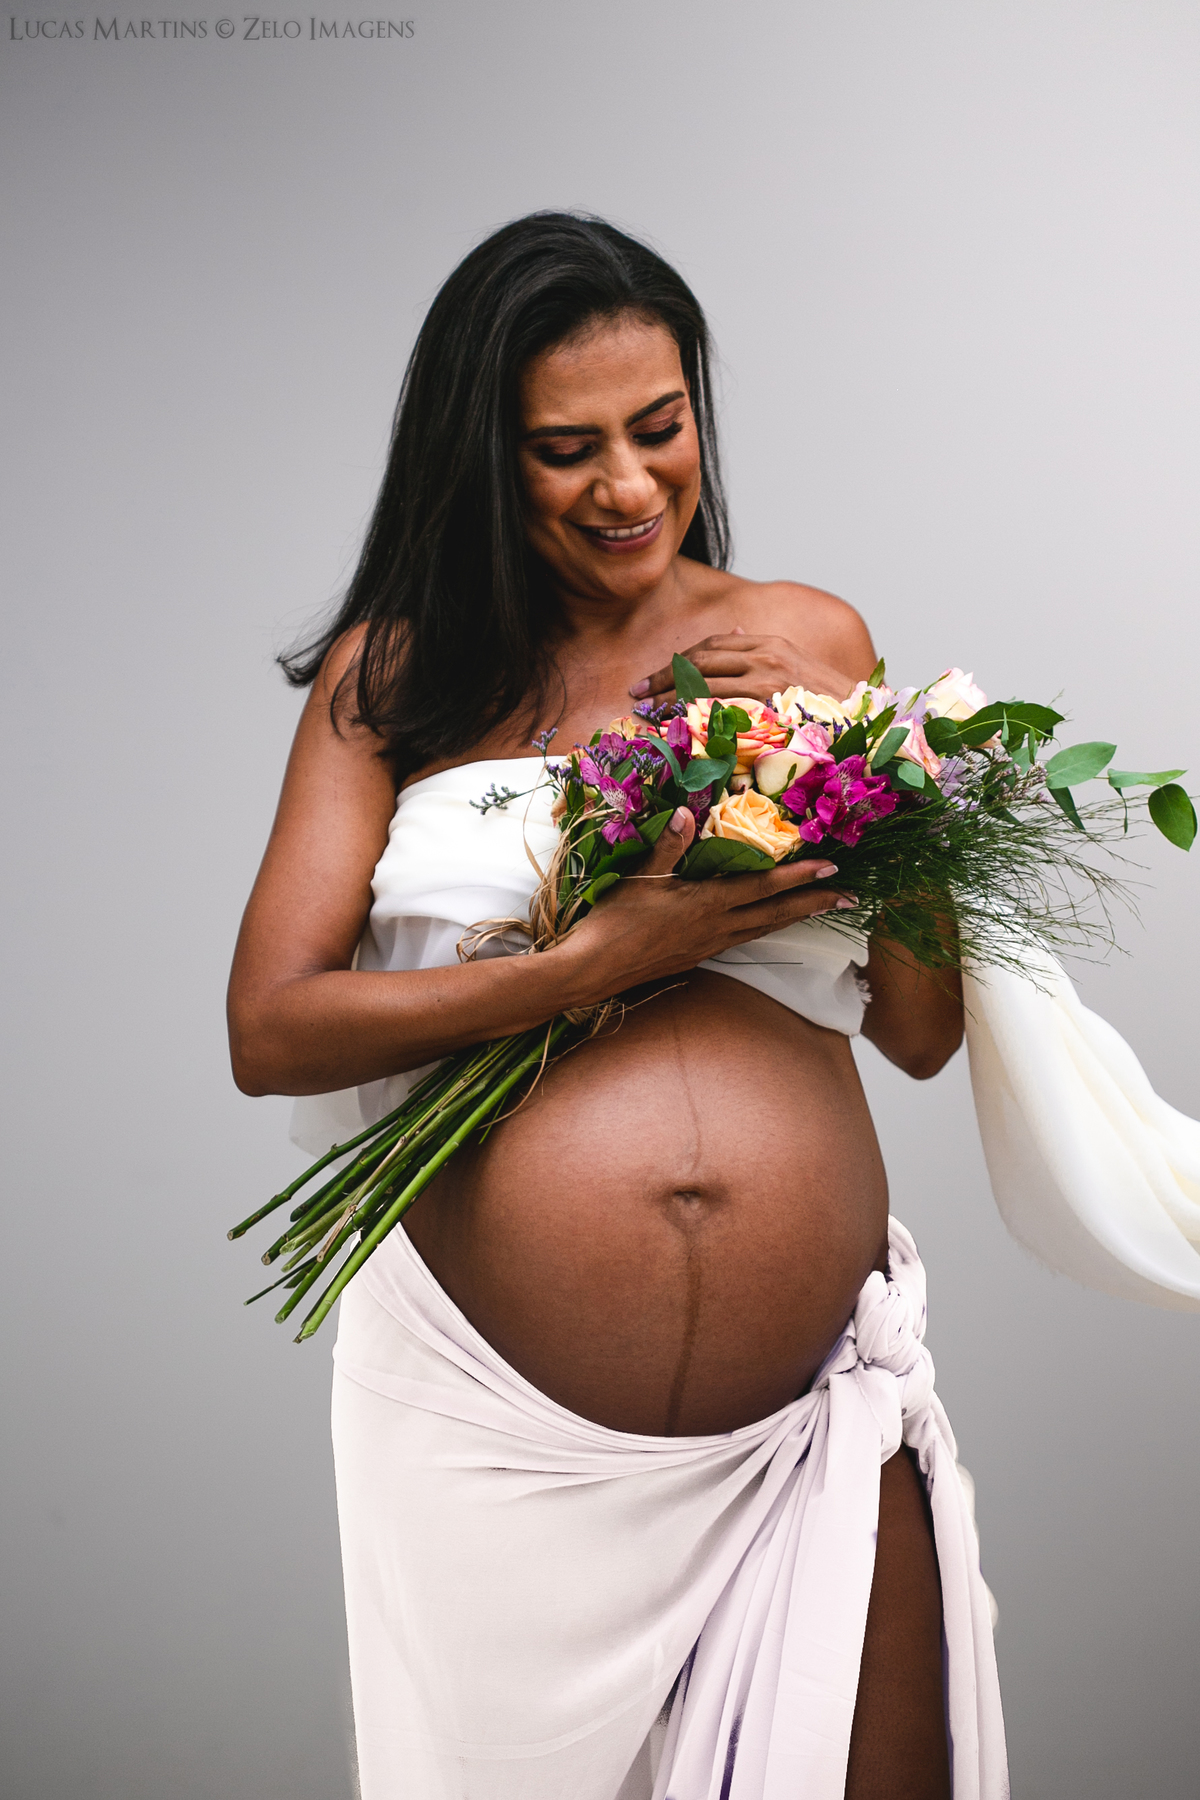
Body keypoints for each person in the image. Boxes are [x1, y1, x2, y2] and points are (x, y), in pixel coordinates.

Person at [227, 213, 1010, 1800]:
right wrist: (591, 966)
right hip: (492, 1446)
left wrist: (877, 762)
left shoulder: (806, 636)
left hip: (804, 1423)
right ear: (483, 461)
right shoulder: (397, 679)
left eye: (660, 428)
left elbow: (919, 1031)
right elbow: (272, 1028)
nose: (632, 485)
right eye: (566, 450)